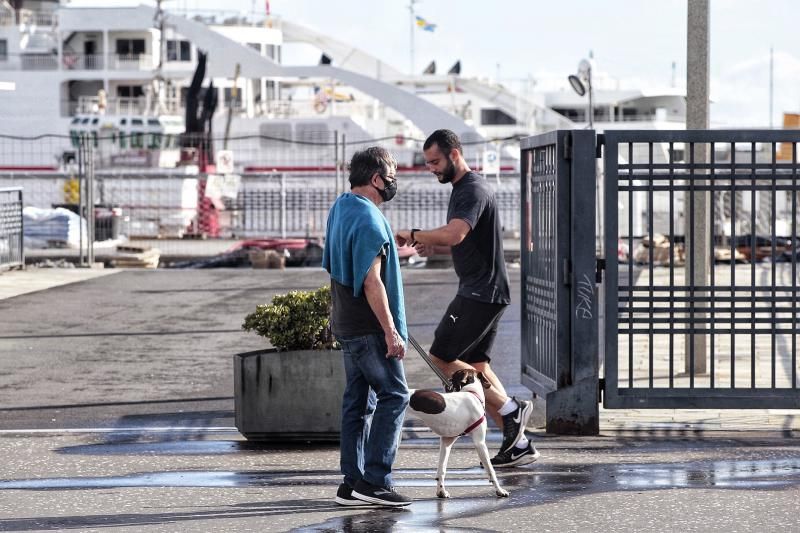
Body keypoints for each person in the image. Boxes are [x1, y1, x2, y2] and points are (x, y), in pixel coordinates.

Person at [395, 129, 538, 468]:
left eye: (435, 161)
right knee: (477, 367)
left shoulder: (471, 189)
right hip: (487, 289)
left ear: (454, 154)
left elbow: (457, 232)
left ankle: (510, 410)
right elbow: (463, 239)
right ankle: (518, 442)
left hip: (479, 291)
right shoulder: (465, 189)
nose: (431, 168)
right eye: (428, 162)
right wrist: (434, 245)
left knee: (442, 357)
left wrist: (413, 234)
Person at [322, 146, 412, 507]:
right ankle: (375, 480)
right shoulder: (371, 220)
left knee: (358, 402)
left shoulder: (341, 206)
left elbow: (338, 263)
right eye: (391, 175)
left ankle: (351, 482)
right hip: (368, 327)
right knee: (396, 395)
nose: (393, 182)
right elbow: (372, 281)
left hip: (346, 321)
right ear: (376, 178)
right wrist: (391, 331)